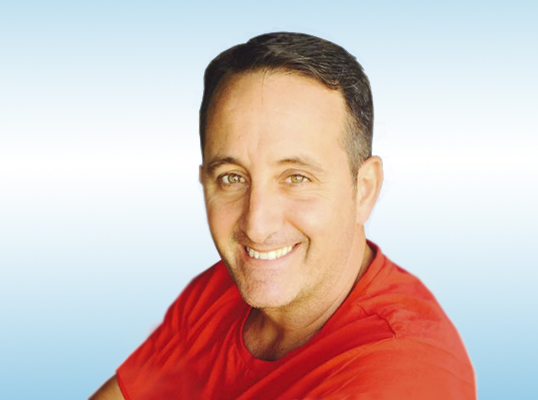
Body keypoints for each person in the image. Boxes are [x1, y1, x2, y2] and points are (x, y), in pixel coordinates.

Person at [90, 32, 476, 400]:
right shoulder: (219, 292)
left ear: (364, 189)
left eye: (296, 178)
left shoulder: (402, 377)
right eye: (232, 177)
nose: (257, 226)